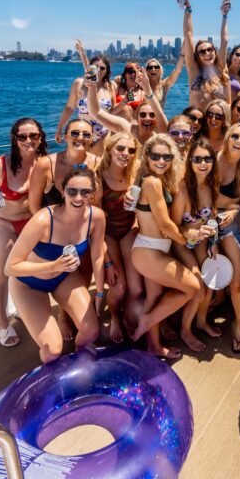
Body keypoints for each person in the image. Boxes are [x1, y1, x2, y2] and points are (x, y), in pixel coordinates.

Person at [5, 167, 103, 363]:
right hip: (28, 284)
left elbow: (98, 255)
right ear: (63, 191)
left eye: (85, 192)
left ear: (92, 194)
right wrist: (53, 266)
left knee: (91, 332)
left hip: (63, 278)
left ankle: (79, 363)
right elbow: (11, 267)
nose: (78, 197)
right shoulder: (43, 220)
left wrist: (99, 293)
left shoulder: (96, 217)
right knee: (52, 350)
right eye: (72, 191)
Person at [130, 134, 213, 359]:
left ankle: (154, 346)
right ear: (146, 156)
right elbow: (166, 224)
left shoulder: (156, 180)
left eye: (166, 156)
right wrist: (188, 238)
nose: (161, 160)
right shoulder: (152, 182)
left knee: (153, 298)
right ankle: (148, 320)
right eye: (155, 155)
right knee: (194, 287)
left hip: (153, 248)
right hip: (150, 251)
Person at [0, 118, 47, 347]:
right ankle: (1, 324)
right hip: (1, 222)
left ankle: (23, 308)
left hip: (30, 224)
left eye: (33, 136)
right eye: (22, 136)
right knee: (1, 272)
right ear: (14, 139)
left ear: (41, 137)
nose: (29, 141)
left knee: (28, 271)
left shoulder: (45, 163)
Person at [171, 139, 221, 351]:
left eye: (207, 158)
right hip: (182, 242)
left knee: (210, 283)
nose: (203, 163)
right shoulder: (182, 189)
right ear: (190, 161)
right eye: (197, 159)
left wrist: (214, 241)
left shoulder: (212, 185)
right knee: (199, 287)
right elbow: (173, 226)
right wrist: (189, 233)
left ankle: (201, 321)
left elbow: (212, 218)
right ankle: (186, 329)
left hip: (201, 240)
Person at [214, 124, 240, 352]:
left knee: (236, 279)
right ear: (227, 137)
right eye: (235, 135)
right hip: (206, 221)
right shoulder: (212, 160)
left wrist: (232, 210)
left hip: (231, 223)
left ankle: (239, 324)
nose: (239, 140)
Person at [97, 131, 142, 343]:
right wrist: (107, 263)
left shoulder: (136, 174)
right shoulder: (98, 178)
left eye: (131, 150)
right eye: (120, 148)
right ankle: (115, 317)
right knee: (119, 287)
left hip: (129, 231)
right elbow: (94, 225)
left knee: (136, 287)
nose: (126, 153)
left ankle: (128, 315)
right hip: (106, 235)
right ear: (109, 149)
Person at [55, 40, 115, 155]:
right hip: (83, 135)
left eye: (102, 68)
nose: (98, 70)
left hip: (103, 135)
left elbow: (113, 111)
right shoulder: (79, 84)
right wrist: (59, 128)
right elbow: (69, 108)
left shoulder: (110, 87)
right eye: (95, 67)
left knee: (98, 168)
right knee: (81, 167)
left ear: (106, 71)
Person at [29, 119, 101, 213]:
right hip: (54, 225)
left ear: (91, 139)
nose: (80, 137)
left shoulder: (98, 164)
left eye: (86, 134)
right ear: (66, 137)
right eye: (75, 133)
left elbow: (99, 204)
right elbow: (34, 206)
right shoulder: (46, 164)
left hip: (87, 224)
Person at [180, 0, 231, 108]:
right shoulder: (194, 70)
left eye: (210, 49)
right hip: (196, 123)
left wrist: (224, 16)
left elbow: (225, 41)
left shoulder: (221, 70)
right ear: (197, 56)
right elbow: (188, 35)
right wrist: (188, 9)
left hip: (219, 122)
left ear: (214, 51)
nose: (207, 53)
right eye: (202, 52)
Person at [86, 71, 166, 145]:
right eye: (143, 114)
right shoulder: (127, 129)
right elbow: (95, 112)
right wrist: (92, 86)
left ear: (157, 119)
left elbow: (159, 112)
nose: (147, 118)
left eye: (152, 115)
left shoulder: (159, 138)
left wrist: (148, 91)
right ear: (137, 118)